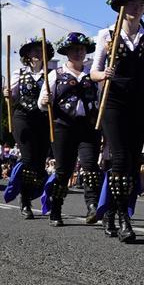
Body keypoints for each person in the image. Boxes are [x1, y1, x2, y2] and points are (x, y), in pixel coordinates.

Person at [91, 0, 144, 244]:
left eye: (141, 4)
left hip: (139, 103)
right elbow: (93, 71)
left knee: (132, 164)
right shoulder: (107, 35)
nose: (136, 8)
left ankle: (110, 209)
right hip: (113, 103)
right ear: (121, 6)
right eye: (131, 3)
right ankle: (123, 217)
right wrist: (103, 74)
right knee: (119, 159)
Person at [37, 32, 103, 227]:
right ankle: (56, 208)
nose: (78, 52)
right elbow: (41, 104)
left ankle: (92, 206)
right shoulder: (54, 75)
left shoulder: (92, 74)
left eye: (82, 49)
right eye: (74, 49)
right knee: (63, 171)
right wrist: (45, 101)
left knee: (91, 167)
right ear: (66, 52)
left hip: (89, 127)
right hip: (63, 126)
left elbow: (100, 99)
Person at [5, 37, 51, 219]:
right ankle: (25, 200)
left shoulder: (52, 74)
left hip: (43, 118)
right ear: (27, 55)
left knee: (39, 163)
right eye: (34, 50)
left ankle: (32, 192)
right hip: (23, 117)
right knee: (28, 159)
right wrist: (7, 94)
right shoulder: (19, 73)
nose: (38, 53)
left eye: (41, 50)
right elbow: (13, 95)